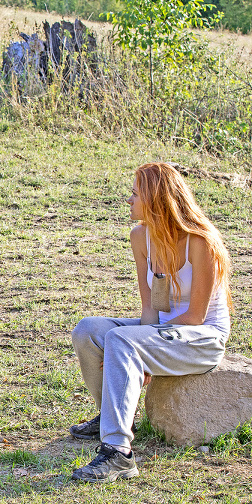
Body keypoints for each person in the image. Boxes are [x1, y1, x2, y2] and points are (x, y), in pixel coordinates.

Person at [69, 162, 233, 482]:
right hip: (161, 334)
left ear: (156, 199)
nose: (128, 201)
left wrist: (142, 349)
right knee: (88, 331)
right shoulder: (140, 237)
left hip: (200, 337)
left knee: (122, 341)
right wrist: (144, 345)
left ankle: (118, 453)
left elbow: (196, 316)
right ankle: (114, 417)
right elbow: (150, 310)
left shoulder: (200, 241)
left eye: (135, 194)